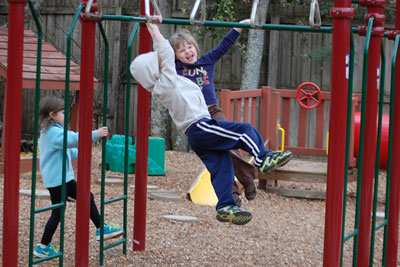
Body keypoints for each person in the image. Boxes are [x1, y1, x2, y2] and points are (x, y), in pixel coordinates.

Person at [130, 17, 292, 226]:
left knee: (222, 166)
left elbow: (171, 55)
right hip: (201, 125)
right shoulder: (169, 78)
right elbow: (166, 52)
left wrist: (238, 26)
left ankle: (226, 205)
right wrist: (153, 28)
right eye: (159, 61)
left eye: (190, 47)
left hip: (197, 131)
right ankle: (262, 158)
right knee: (244, 131)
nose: (163, 60)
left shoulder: (163, 84)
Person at [169, 19, 257, 206]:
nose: (187, 52)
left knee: (231, 145)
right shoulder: (176, 70)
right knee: (215, 157)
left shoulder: (206, 61)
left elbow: (224, 45)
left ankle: (247, 178)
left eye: (189, 47)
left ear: (195, 47)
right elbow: (161, 58)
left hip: (212, 112)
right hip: (194, 119)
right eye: (181, 50)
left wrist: (239, 26)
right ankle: (233, 194)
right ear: (176, 56)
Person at [34, 96, 123, 258]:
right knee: (58, 212)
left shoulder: (52, 132)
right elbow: (73, 139)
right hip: (59, 180)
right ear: (52, 114)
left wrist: (81, 153)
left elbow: (68, 149)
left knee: (84, 198)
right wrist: (95, 134)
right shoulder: (53, 133)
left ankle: (100, 228)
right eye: (62, 112)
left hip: (60, 179)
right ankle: (43, 246)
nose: (64, 115)